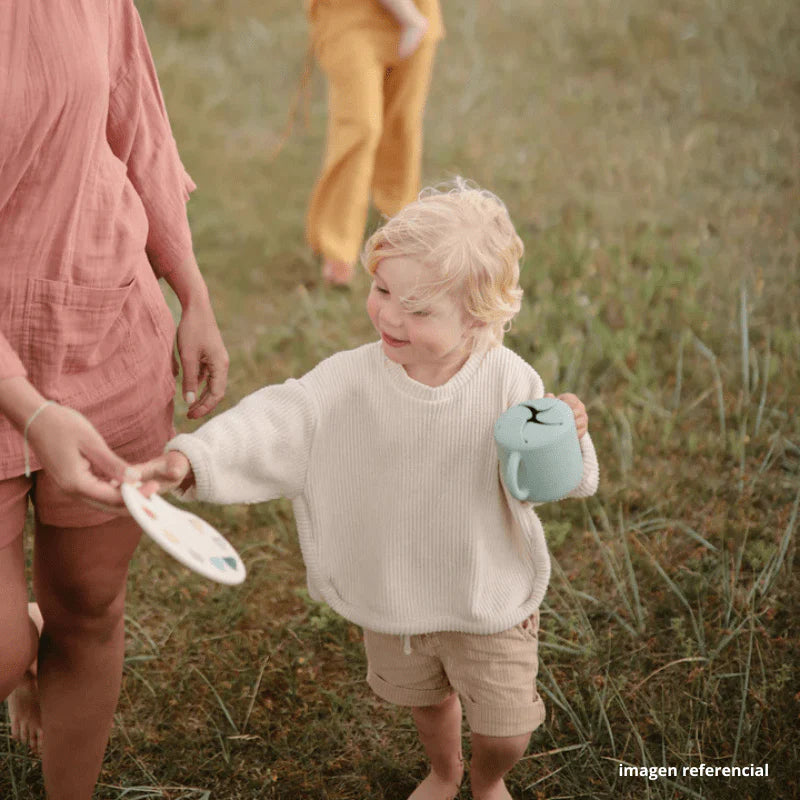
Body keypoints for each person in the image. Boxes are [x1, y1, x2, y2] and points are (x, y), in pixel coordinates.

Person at [140, 178, 599, 800]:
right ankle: (444, 771)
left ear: (478, 318)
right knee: (427, 701)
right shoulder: (351, 382)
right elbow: (283, 418)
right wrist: (193, 459)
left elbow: (549, 478)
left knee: (507, 728)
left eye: (418, 309)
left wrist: (564, 433)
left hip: (486, 589)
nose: (389, 314)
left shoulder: (508, 380)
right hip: (397, 584)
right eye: (383, 290)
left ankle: (489, 780)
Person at [0, 3, 229, 799]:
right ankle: (20, 642)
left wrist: (190, 288)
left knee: (91, 606)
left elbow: (138, 128)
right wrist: (29, 410)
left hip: (105, 329)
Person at [305, 0, 444, 285]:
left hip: (419, 11)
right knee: (360, 126)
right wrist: (408, 16)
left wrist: (413, 18)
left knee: (402, 126)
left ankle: (400, 225)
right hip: (350, 15)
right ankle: (337, 244)